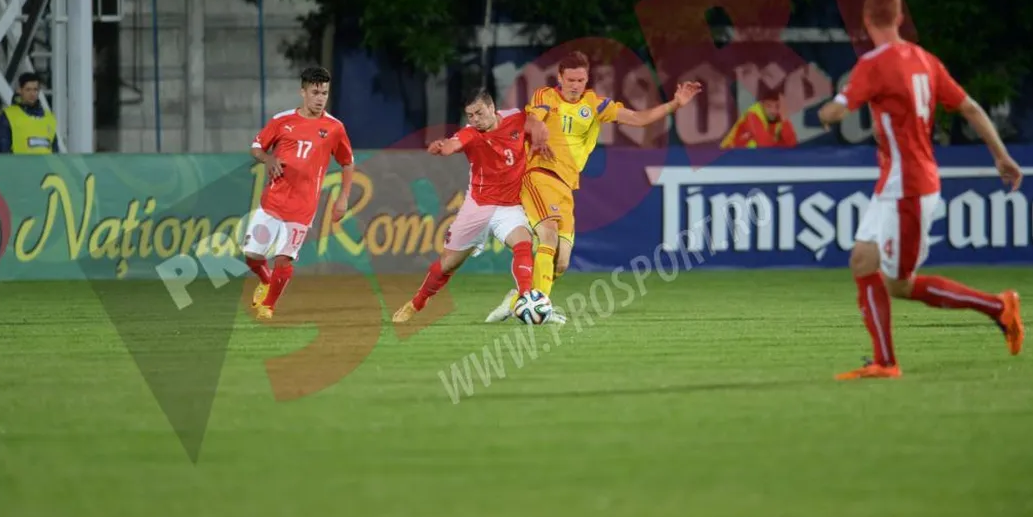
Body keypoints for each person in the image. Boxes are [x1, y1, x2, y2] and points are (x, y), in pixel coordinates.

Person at [817, 0, 1024, 380]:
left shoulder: (873, 64)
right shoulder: (925, 60)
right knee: (862, 260)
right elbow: (970, 107)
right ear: (898, 18)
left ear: (866, 21)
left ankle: (998, 307)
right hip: (898, 183)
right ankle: (883, 361)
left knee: (899, 284)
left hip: (908, 188)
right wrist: (1001, 155)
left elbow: (837, 112)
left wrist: (824, 113)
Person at [485, 51, 701, 323]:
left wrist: (676, 104)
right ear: (560, 78)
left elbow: (638, 119)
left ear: (587, 80)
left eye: (581, 80)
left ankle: (518, 300)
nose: (575, 85)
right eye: (570, 80)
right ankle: (540, 309)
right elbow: (532, 119)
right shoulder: (546, 96)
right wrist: (538, 130)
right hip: (539, 175)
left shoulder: (595, 105)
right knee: (548, 236)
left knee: (561, 262)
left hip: (566, 185)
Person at [392, 87, 554, 324]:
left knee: (523, 244)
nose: (475, 119)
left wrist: (540, 134)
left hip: (509, 206)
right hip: (478, 207)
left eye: (479, 113)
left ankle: (526, 298)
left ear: (491, 107)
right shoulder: (471, 133)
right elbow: (455, 143)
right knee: (447, 264)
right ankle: (416, 303)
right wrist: (444, 147)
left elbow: (534, 123)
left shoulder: (515, 118)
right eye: (470, 115)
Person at [244, 66, 354, 321]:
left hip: (303, 206)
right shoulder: (282, 120)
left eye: (324, 93)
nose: (320, 98)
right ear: (303, 92)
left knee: (284, 259)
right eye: (315, 92)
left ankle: (268, 306)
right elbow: (256, 147)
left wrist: (343, 197)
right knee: (251, 256)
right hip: (272, 201)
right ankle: (266, 280)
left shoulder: (335, 128)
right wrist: (268, 159)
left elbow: (347, 162)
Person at [0, 72, 59, 154]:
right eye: (28, 89)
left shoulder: (49, 117)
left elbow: (55, 152)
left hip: (45, 162)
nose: (32, 94)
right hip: (18, 162)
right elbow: (3, 151)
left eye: (35, 89)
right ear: (20, 90)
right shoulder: (8, 115)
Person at [719, 87, 797, 149]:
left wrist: (785, 118)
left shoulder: (780, 117)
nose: (773, 111)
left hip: (750, 157)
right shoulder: (752, 114)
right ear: (762, 104)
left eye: (777, 106)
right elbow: (765, 144)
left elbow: (791, 143)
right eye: (769, 106)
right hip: (728, 154)